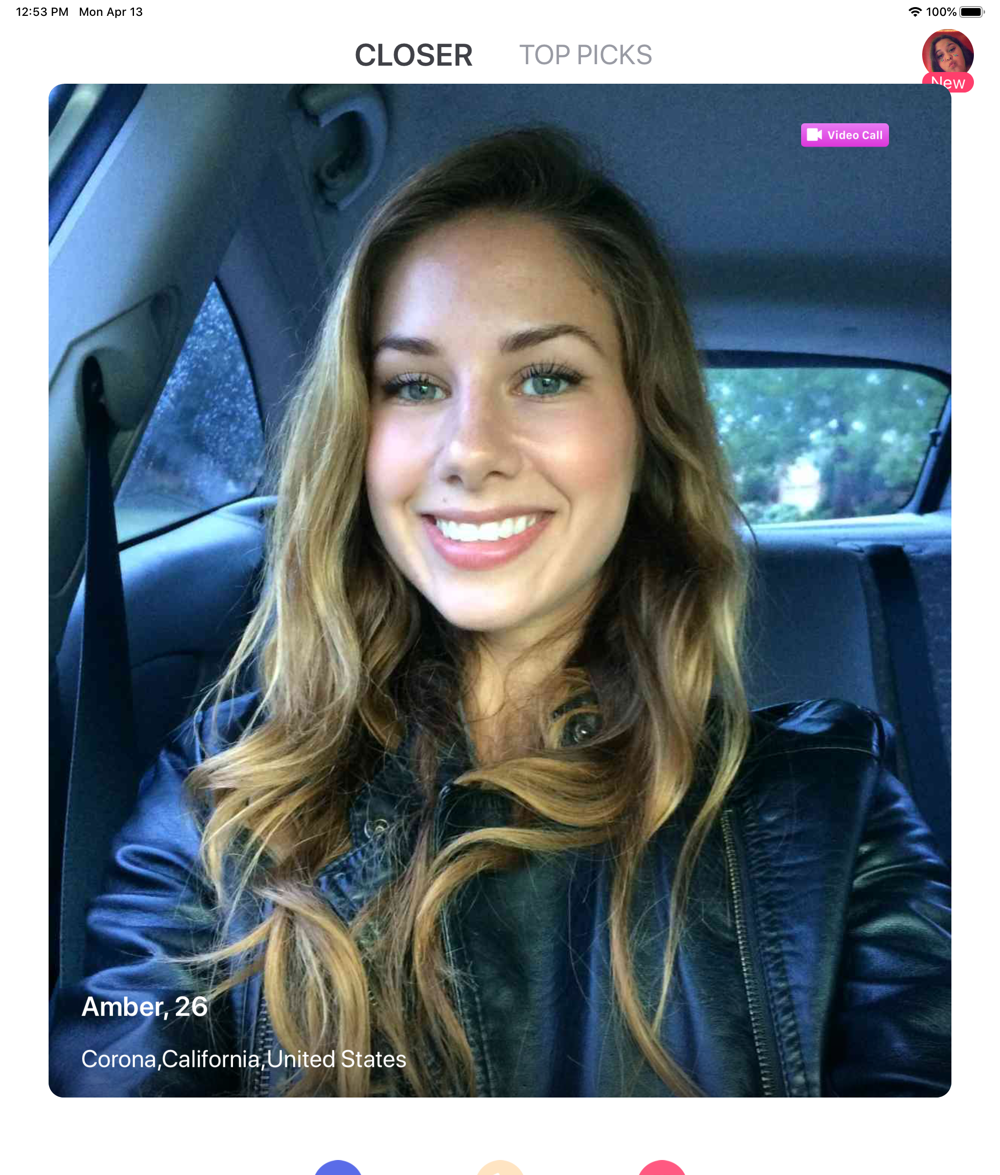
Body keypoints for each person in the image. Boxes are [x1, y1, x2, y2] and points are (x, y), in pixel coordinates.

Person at [50, 127, 950, 1098]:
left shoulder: (832, 805)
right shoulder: (221, 797)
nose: (470, 449)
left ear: (646, 427)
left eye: (546, 377)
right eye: (414, 384)